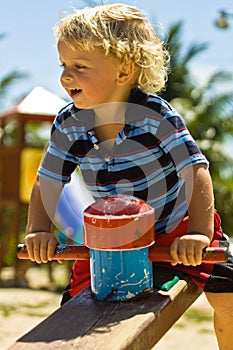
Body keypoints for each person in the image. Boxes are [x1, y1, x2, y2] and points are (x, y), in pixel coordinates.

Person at [25, 3, 233, 349]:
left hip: (177, 223)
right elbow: (48, 180)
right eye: (64, 65)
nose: (66, 76)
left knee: (230, 298)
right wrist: (39, 231)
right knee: (76, 310)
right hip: (112, 236)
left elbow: (195, 170)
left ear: (123, 72)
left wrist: (198, 233)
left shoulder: (154, 115)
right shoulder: (69, 124)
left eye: (80, 66)